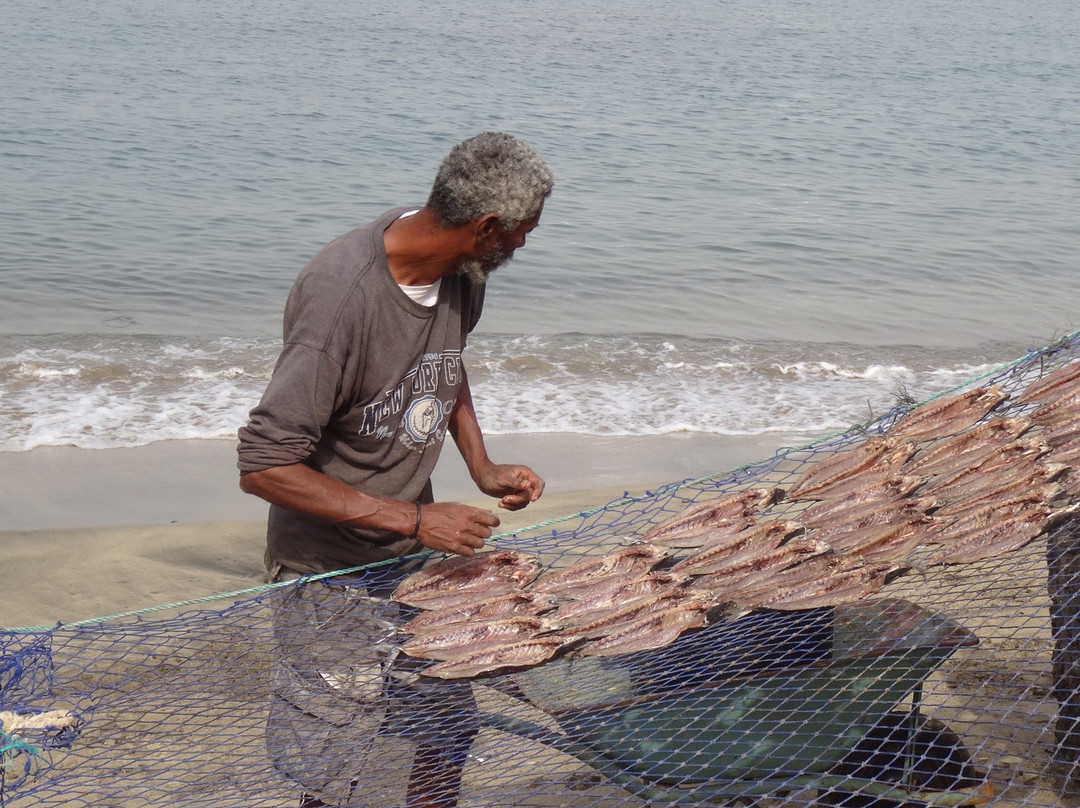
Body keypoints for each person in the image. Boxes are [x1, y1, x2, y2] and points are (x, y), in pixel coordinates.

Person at [236, 132, 554, 808]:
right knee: (338, 759)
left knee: (446, 730)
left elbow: (445, 362)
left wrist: (482, 464)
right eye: (524, 233)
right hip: (326, 575)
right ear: (485, 227)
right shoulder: (341, 301)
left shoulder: (461, 273)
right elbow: (263, 464)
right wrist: (414, 517)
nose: (525, 246)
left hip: (412, 559)